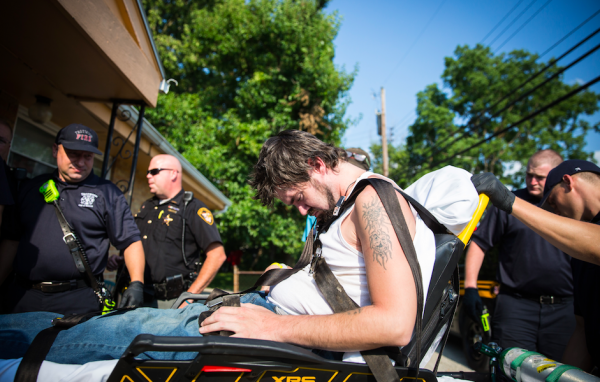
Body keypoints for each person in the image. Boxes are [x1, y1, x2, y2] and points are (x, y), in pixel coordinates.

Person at [0, 129, 478, 366]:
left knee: (103, 338)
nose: (299, 210)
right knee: (108, 325)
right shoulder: (346, 207)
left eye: (297, 197)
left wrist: (275, 325)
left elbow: (395, 324)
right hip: (258, 316)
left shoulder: (374, 201)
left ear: (317, 165)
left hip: (269, 333)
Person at [0, 123, 145, 315]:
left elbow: (131, 241)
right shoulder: (31, 188)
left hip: (78, 299)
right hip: (24, 296)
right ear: (55, 150)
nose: (81, 162)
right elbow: (12, 241)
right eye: (73, 154)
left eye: (88, 156)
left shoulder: (108, 193)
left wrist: (137, 283)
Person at [472, 160, 600, 372]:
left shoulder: (587, 243)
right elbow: (582, 330)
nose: (554, 211)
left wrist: (508, 201)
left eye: (552, 201)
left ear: (568, 182)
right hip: (515, 304)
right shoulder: (579, 255)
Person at [463, 150, 574, 360]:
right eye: (529, 175)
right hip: (516, 306)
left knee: (561, 372)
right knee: (511, 369)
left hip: (565, 309)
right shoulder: (509, 202)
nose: (532, 182)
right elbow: (480, 243)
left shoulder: (570, 206)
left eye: (540, 177)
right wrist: (470, 287)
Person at [108, 154, 226, 309]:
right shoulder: (147, 206)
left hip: (169, 302)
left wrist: (188, 299)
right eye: (148, 172)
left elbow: (217, 255)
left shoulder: (192, 208)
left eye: (154, 171)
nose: (148, 175)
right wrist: (121, 260)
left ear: (173, 173)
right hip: (134, 295)